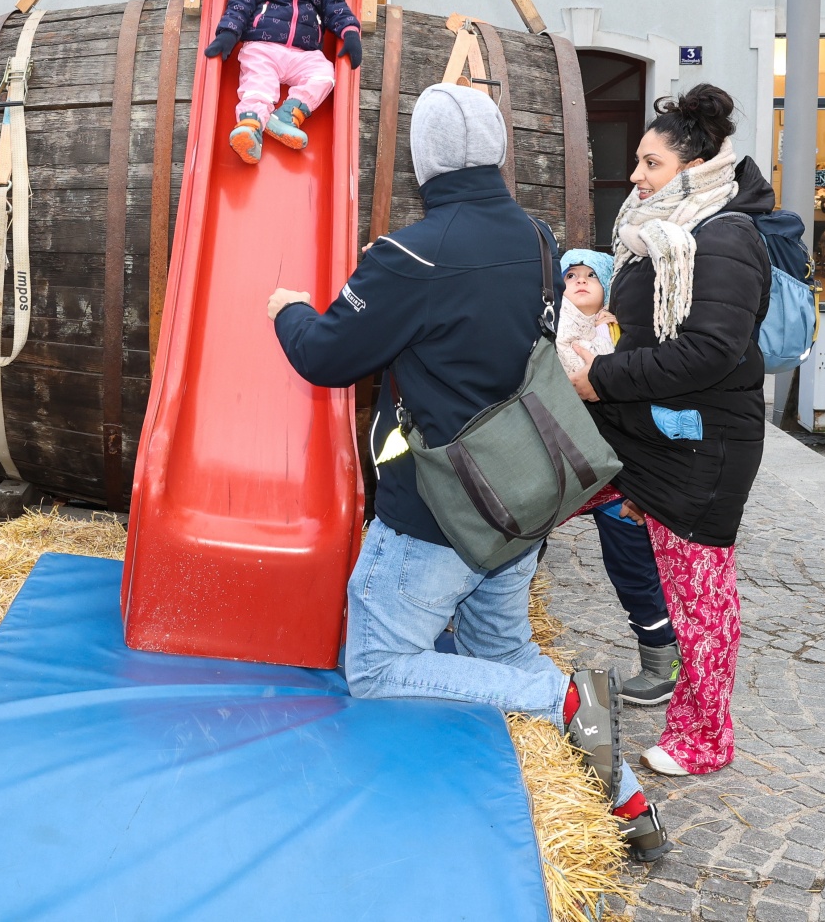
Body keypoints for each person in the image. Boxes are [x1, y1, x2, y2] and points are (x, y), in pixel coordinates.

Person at [267, 83, 669, 863]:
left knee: (378, 669)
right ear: (496, 151)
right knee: (501, 656)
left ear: (423, 159)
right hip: (519, 500)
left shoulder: (407, 257)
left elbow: (324, 356)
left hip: (437, 515)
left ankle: (562, 698)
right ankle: (627, 803)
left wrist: (287, 309)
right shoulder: (537, 239)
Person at [566, 84, 772, 778]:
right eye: (638, 162)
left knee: (700, 597)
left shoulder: (725, 236)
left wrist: (601, 377)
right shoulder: (658, 228)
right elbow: (652, 328)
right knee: (526, 501)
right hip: (641, 432)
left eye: (651, 164)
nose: (635, 176)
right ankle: (491, 648)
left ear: (694, 167)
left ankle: (704, 738)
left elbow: (710, 350)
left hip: (702, 449)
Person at [556, 247, 683, 709]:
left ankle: (661, 661)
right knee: (521, 546)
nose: (580, 281)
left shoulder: (624, 335)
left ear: (609, 285)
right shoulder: (548, 332)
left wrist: (646, 484)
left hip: (618, 476)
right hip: (561, 467)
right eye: (570, 275)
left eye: (591, 275)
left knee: (632, 568)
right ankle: (497, 636)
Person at [204, 0, 362, 163]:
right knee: (259, 83)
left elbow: (337, 8)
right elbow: (240, 4)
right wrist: (228, 34)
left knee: (325, 75)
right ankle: (250, 126)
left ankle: (287, 115)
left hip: (304, 53)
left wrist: (350, 32)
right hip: (263, 47)